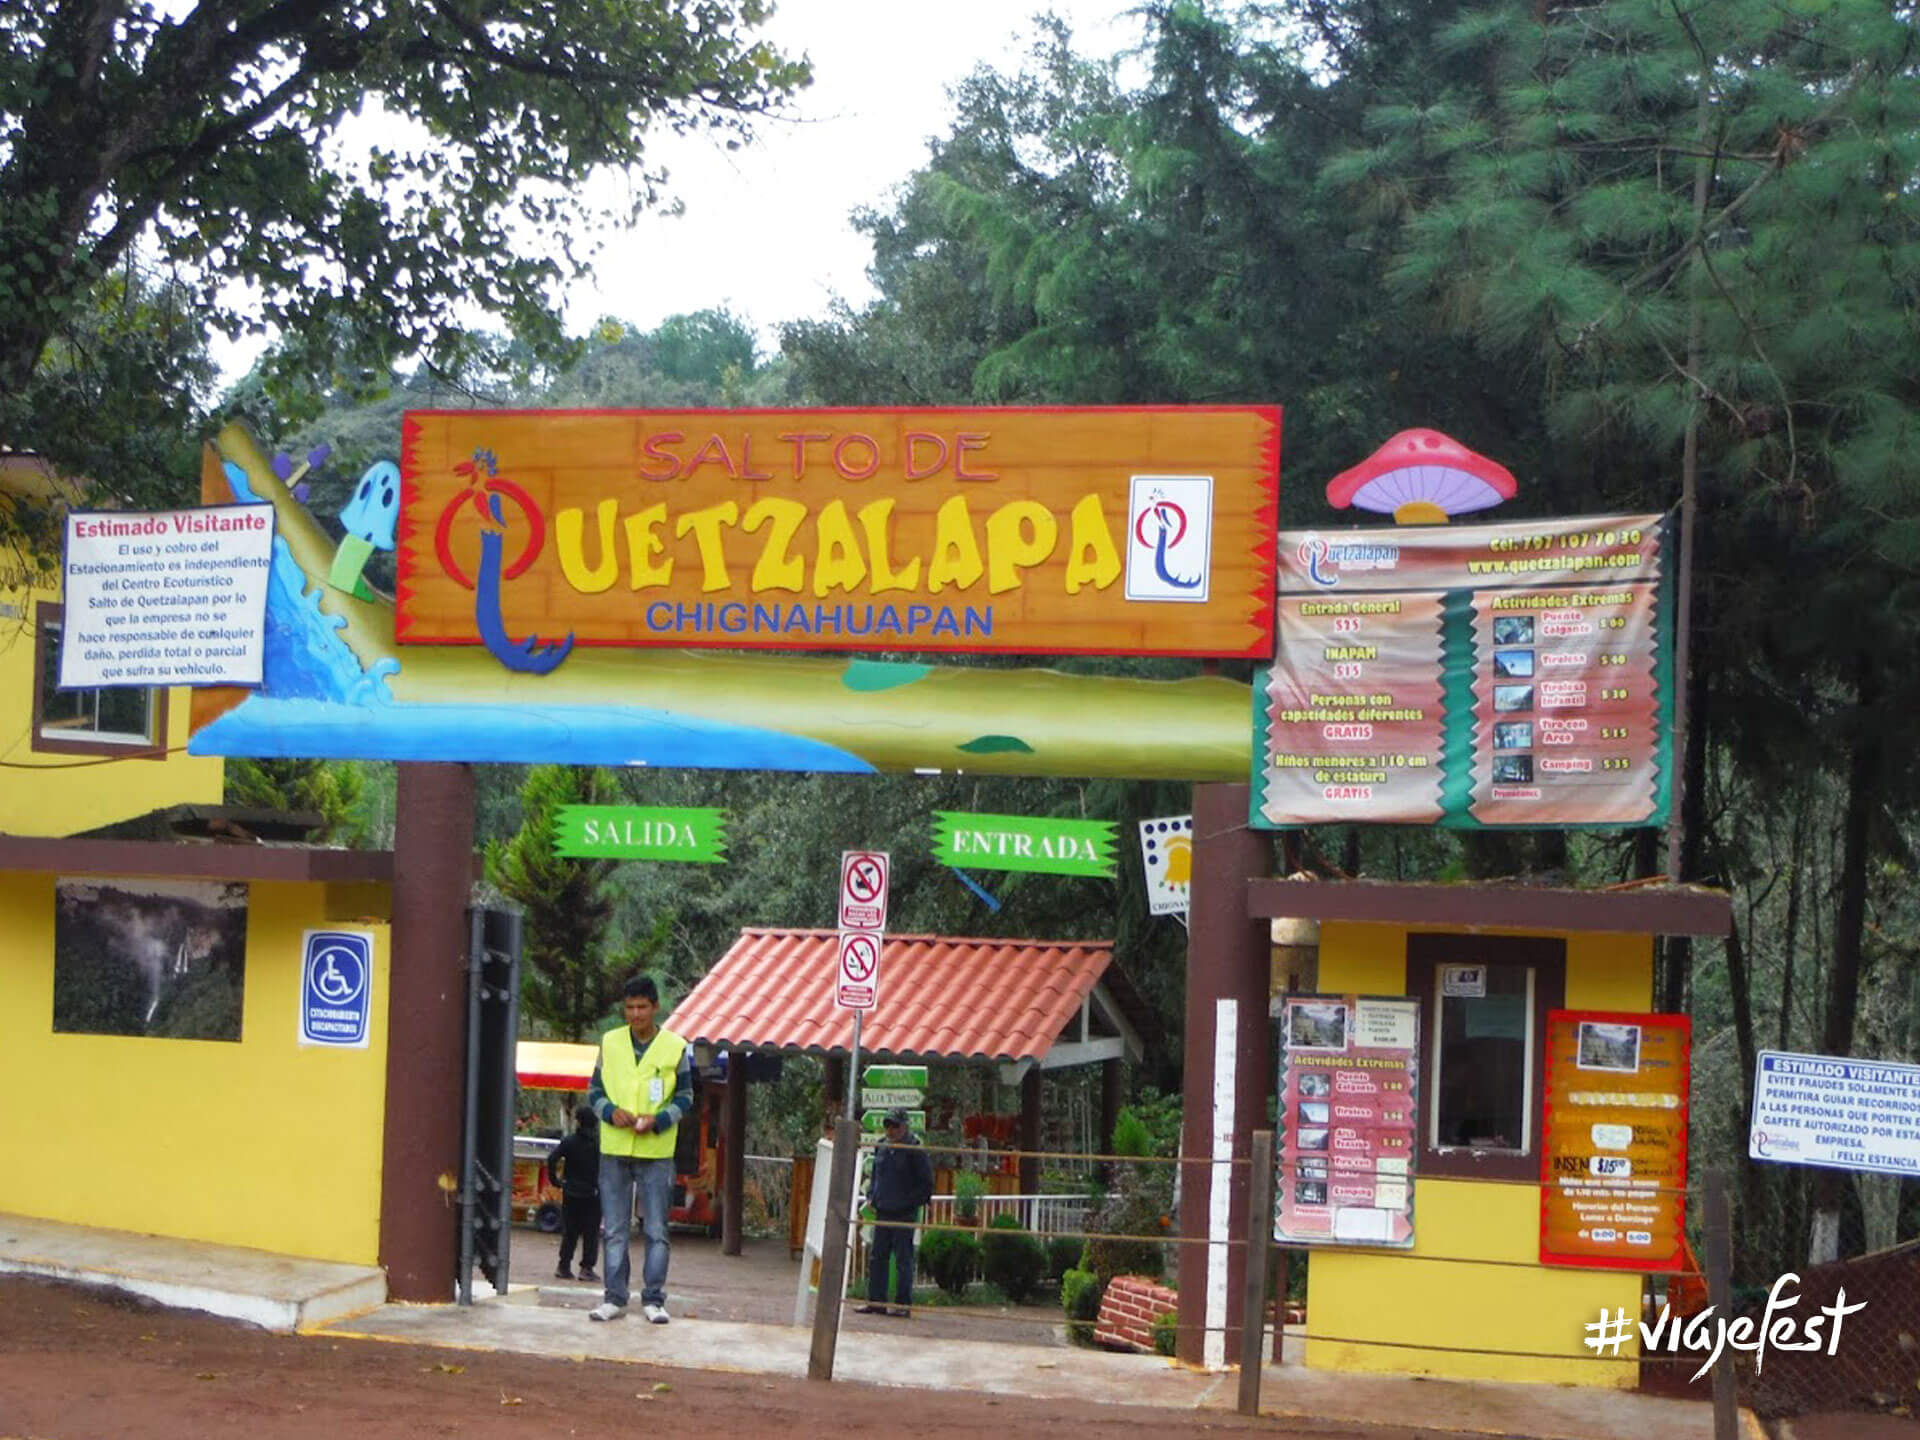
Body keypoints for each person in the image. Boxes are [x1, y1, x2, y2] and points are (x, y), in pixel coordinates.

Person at [586, 974, 692, 1324]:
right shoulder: (610, 1042)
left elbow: (686, 1098)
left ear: (655, 1007)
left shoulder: (675, 1047)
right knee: (614, 1228)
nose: (635, 1014)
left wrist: (659, 1119)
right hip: (614, 1147)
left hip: (656, 1151)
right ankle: (614, 1298)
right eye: (629, 1007)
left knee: (656, 1229)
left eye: (642, 1007)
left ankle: (654, 1299)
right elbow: (594, 1091)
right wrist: (608, 1112)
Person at [855, 1108, 935, 1318]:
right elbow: (875, 1175)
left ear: (905, 1126)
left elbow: (926, 1183)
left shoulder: (915, 1149)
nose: (891, 1130)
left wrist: (910, 1203)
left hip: (904, 1214)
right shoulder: (881, 1145)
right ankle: (876, 1302)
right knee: (877, 1257)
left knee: (903, 1260)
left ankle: (903, 1305)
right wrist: (872, 1196)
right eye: (888, 1125)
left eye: (895, 1126)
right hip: (883, 1211)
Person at [543, 1105, 601, 1282]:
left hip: (571, 1192)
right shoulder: (599, 1145)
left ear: (578, 1121)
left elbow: (552, 1158)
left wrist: (555, 1180)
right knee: (591, 1232)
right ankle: (587, 1268)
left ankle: (564, 1265)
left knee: (570, 1231)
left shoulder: (569, 1141)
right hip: (593, 1192)